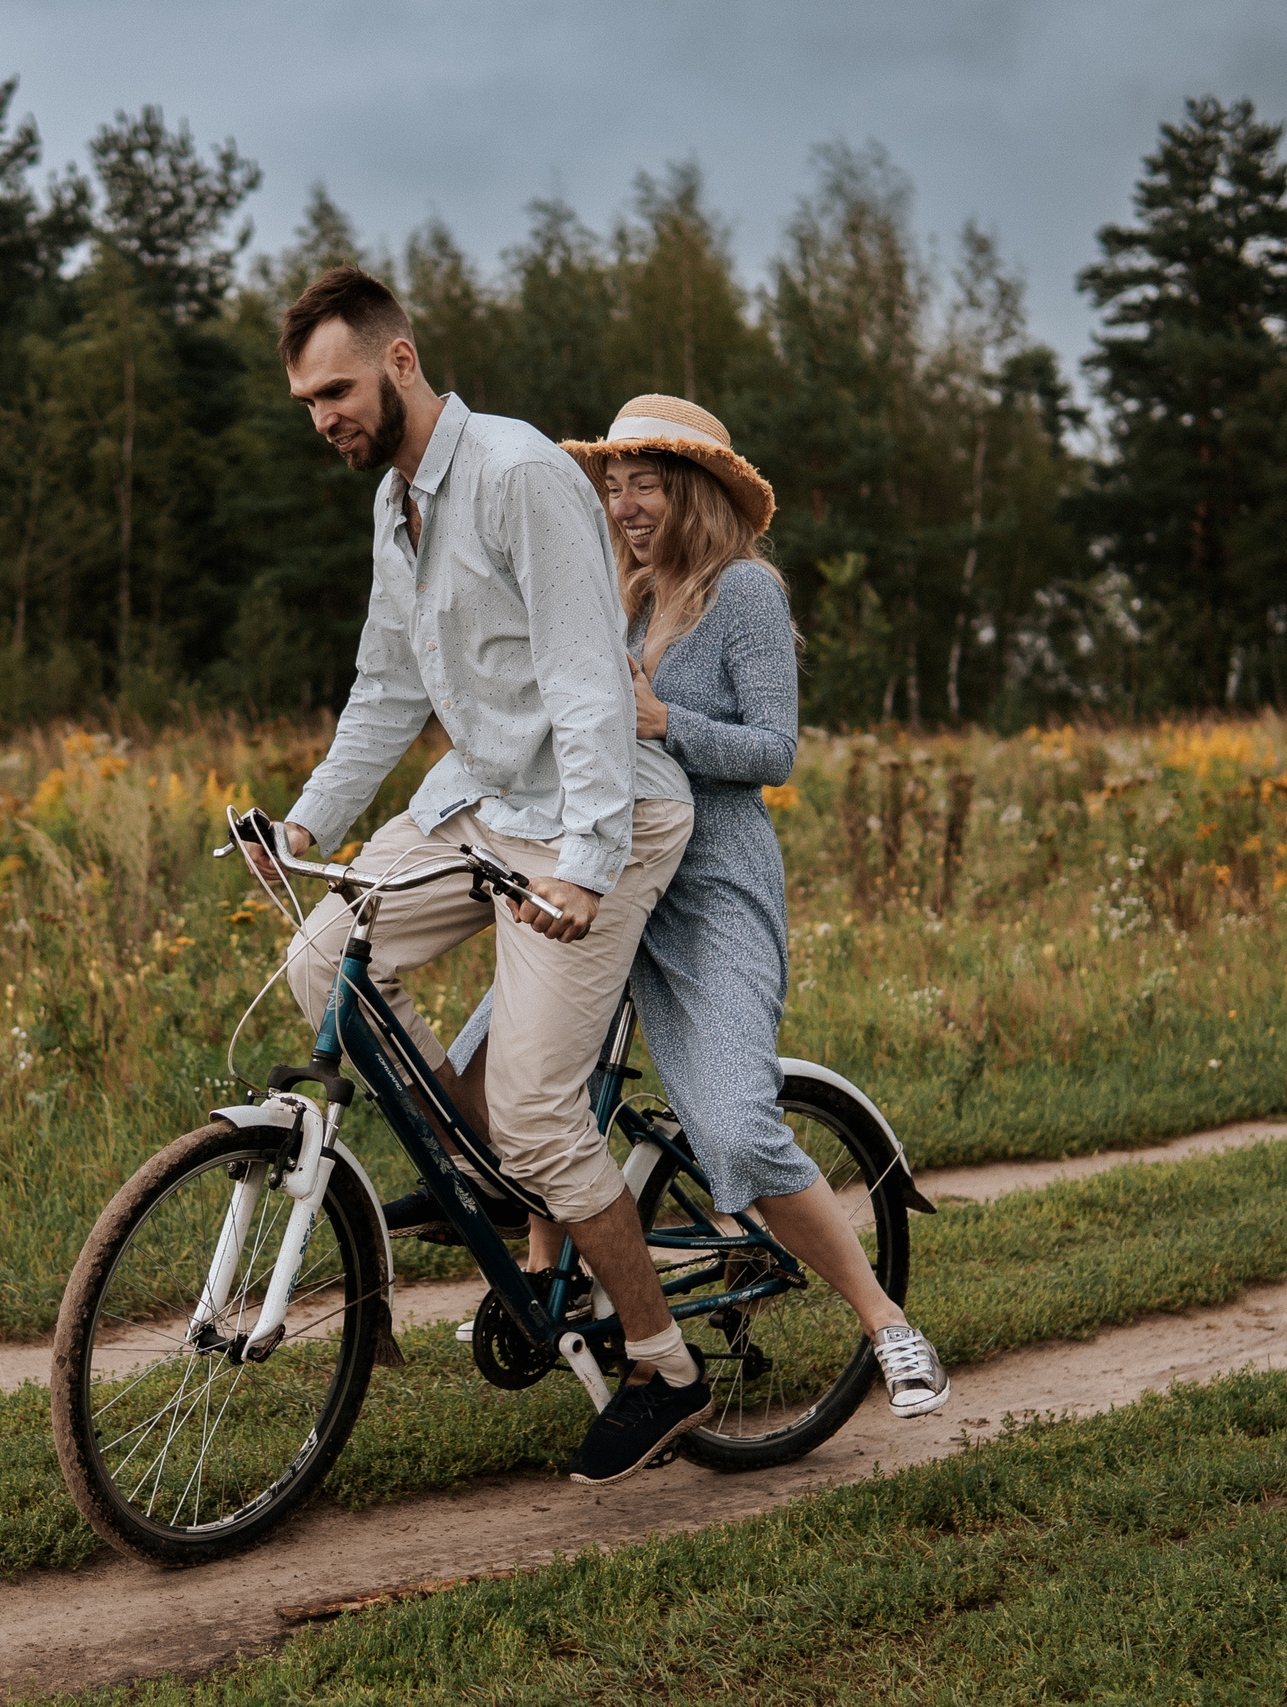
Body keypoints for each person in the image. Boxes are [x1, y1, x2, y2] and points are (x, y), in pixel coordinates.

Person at [253, 266, 711, 1485]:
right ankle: (492, 1184)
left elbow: (580, 680)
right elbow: (387, 686)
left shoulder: (513, 476)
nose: (323, 419)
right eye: (305, 401)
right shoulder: (394, 505)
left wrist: (589, 866)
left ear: (400, 363)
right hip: (486, 805)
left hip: (591, 820)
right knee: (321, 961)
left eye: (336, 389)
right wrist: (306, 825)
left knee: (544, 1118)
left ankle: (665, 1367)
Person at [457, 394, 951, 1420]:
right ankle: (554, 1281)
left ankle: (887, 1325)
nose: (624, 504)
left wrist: (663, 716)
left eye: (645, 484)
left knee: (731, 1126)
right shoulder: (618, 597)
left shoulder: (747, 594)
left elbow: (774, 750)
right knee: (492, 1084)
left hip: (710, 891)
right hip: (601, 868)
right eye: (614, 483)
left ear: (692, 492)